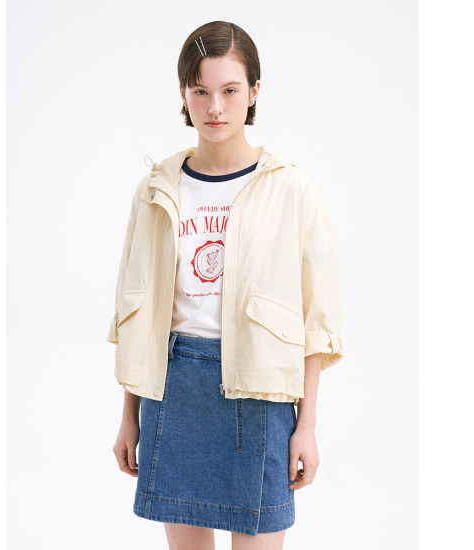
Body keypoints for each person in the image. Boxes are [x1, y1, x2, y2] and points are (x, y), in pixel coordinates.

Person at [108, 21, 344, 550]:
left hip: (260, 393)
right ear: (183, 94)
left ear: (254, 91)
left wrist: (306, 425)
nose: (215, 107)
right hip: (173, 389)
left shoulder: (290, 188)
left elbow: (317, 321)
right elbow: (139, 312)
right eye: (201, 91)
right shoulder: (156, 190)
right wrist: (128, 416)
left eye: (230, 90)